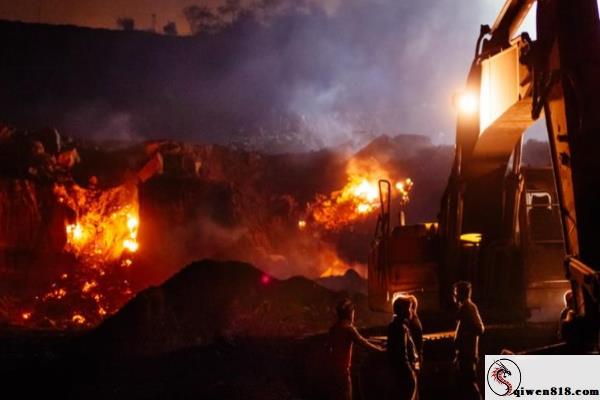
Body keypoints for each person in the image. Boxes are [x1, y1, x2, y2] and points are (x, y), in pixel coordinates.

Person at [328, 298, 384, 400]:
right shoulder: (349, 328)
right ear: (349, 313)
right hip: (343, 371)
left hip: (333, 370)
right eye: (353, 312)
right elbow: (363, 342)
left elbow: (328, 348)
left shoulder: (334, 328)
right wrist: (380, 350)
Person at [453, 281, 484, 400]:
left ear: (461, 294)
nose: (454, 296)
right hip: (464, 355)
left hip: (468, 355)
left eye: (456, 293)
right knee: (465, 385)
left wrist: (465, 336)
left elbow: (479, 328)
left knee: (469, 384)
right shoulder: (465, 307)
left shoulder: (469, 308)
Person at [387, 296, 418, 400]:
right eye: (408, 308)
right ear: (402, 310)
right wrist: (409, 373)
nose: (410, 311)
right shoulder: (400, 328)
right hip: (404, 373)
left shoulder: (394, 326)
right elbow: (402, 353)